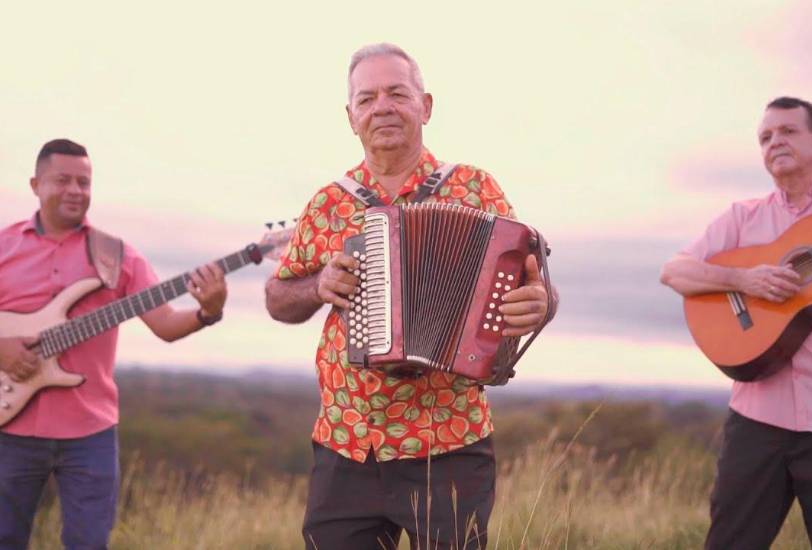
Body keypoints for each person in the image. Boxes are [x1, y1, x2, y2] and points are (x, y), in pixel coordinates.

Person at [266, 43, 554, 549]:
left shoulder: (475, 189)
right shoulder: (328, 204)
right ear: (351, 116)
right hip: (348, 440)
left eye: (397, 93)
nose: (382, 106)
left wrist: (542, 304)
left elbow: (534, 283)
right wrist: (318, 286)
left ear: (425, 105)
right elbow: (278, 296)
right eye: (367, 97)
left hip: (448, 441)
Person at [0, 138, 228, 550]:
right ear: (35, 185)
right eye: (63, 180)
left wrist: (207, 312)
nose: (75, 190)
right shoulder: (4, 247)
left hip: (91, 433)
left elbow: (165, 324)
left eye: (84, 182)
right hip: (10, 427)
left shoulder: (117, 255)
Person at [661, 97, 812, 549]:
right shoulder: (741, 216)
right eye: (765, 137)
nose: (774, 143)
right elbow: (674, 271)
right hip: (756, 422)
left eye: (787, 131)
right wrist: (742, 279)